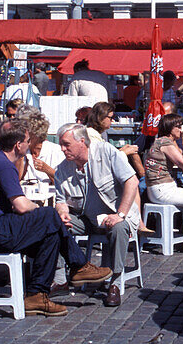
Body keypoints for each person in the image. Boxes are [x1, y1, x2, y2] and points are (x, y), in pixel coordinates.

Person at [0, 119, 111, 317]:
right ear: (18, 145)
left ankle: (37, 295)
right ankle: (78, 265)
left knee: (51, 237)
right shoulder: (3, 164)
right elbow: (22, 205)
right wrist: (46, 213)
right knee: (49, 214)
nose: (30, 144)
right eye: (27, 140)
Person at [54, 122, 142, 306]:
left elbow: (132, 182)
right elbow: (61, 201)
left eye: (66, 144)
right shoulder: (63, 169)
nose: (62, 149)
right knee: (55, 223)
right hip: (88, 217)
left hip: (117, 214)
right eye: (61, 144)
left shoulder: (106, 152)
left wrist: (121, 214)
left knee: (118, 228)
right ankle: (61, 279)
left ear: (82, 141)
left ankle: (115, 283)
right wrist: (62, 213)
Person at [143, 113, 183, 249]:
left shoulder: (163, 141)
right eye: (178, 126)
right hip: (163, 190)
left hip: (157, 190)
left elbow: (181, 160)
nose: (181, 129)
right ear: (169, 128)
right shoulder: (165, 142)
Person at [84, 101, 144, 179]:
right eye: (110, 118)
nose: (112, 121)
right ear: (101, 117)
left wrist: (123, 150)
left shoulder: (99, 134)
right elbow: (100, 160)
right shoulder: (91, 135)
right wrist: (124, 152)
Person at [12, 105, 64, 188]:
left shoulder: (56, 151)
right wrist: (20, 156)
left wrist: (47, 169)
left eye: (26, 133)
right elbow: (15, 181)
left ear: (36, 134)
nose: (22, 136)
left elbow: (62, 183)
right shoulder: (21, 151)